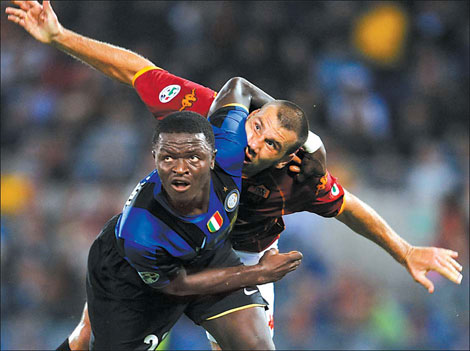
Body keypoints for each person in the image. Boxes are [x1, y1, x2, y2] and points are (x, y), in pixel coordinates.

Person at [5, 1, 464, 350]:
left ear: (285, 158)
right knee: (89, 338)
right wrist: (60, 36)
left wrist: (404, 249)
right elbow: (137, 72)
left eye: (269, 146)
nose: (253, 144)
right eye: (255, 126)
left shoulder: (298, 174)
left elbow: (347, 208)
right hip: (166, 233)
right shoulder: (214, 114)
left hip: (239, 255)